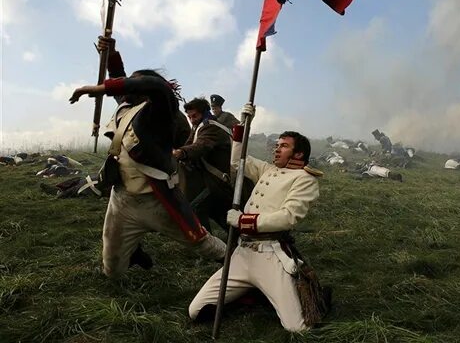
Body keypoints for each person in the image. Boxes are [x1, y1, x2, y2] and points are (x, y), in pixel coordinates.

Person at [68, 37, 225, 278]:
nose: (129, 86)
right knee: (112, 270)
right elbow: (120, 75)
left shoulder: (160, 114)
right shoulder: (127, 106)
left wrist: (100, 88)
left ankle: (235, 260)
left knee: (202, 242)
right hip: (122, 200)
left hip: (157, 200)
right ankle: (134, 254)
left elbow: (157, 87)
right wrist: (111, 53)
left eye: (135, 83)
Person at [188, 104, 326, 332]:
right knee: (196, 311)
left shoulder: (305, 179)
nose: (276, 149)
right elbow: (237, 163)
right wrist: (241, 127)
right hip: (242, 255)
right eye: (277, 145)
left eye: (283, 146)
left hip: (270, 254)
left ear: (299, 153)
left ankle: (285, 288)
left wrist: (245, 221)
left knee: (297, 328)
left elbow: (288, 217)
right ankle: (254, 293)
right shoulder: (268, 169)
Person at [173, 97, 233, 232]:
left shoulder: (211, 126)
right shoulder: (198, 127)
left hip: (221, 182)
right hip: (211, 182)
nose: (192, 119)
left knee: (196, 208)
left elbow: (201, 145)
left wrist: (180, 153)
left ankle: (211, 245)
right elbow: (190, 144)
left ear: (204, 113)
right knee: (220, 216)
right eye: (189, 117)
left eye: (194, 116)